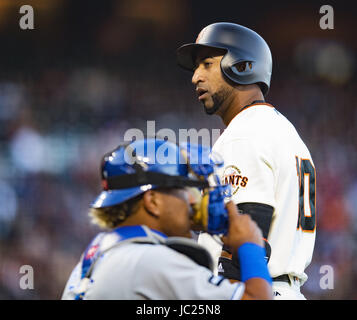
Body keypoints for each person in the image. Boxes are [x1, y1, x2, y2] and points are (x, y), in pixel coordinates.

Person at [176, 22, 316, 299]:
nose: (195, 77)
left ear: (241, 66)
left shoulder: (245, 134)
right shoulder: (283, 129)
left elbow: (246, 240)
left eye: (206, 64)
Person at [61, 138, 272, 300]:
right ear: (152, 201)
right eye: (182, 189)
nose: (191, 200)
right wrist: (250, 245)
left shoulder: (96, 253)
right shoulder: (149, 261)